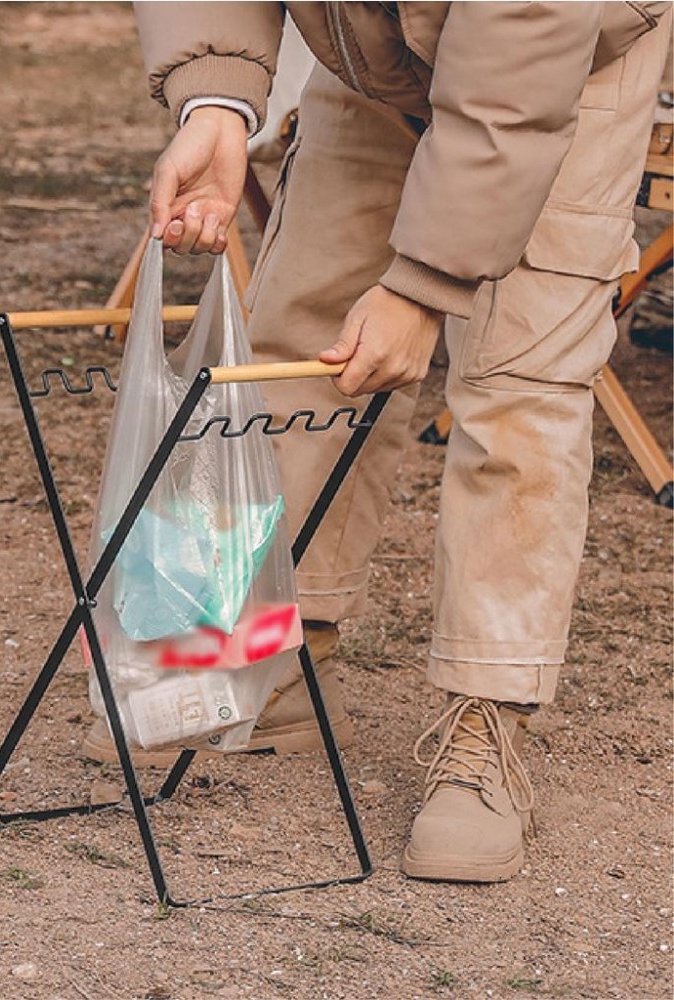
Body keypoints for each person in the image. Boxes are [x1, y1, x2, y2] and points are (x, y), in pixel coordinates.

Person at [83, 2, 672, 883]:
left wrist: (423, 283)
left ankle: (487, 718)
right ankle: (274, 657)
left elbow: (515, 72)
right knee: (299, 341)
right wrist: (216, 101)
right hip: (372, 57)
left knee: (520, 384)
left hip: (560, 64)